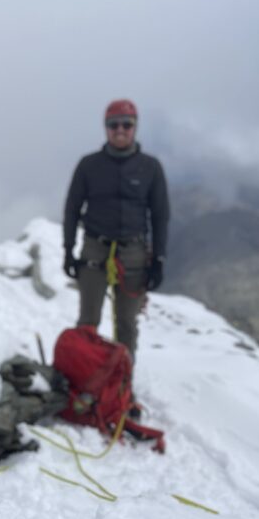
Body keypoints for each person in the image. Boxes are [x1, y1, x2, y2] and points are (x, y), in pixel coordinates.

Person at [62, 99, 170, 361]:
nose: (120, 130)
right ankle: (85, 377)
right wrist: (68, 250)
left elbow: (160, 215)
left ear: (135, 127)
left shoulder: (150, 168)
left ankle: (122, 379)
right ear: (106, 127)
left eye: (126, 124)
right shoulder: (89, 165)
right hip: (94, 249)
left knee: (127, 324)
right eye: (114, 125)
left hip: (134, 253)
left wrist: (158, 259)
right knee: (88, 321)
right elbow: (72, 209)